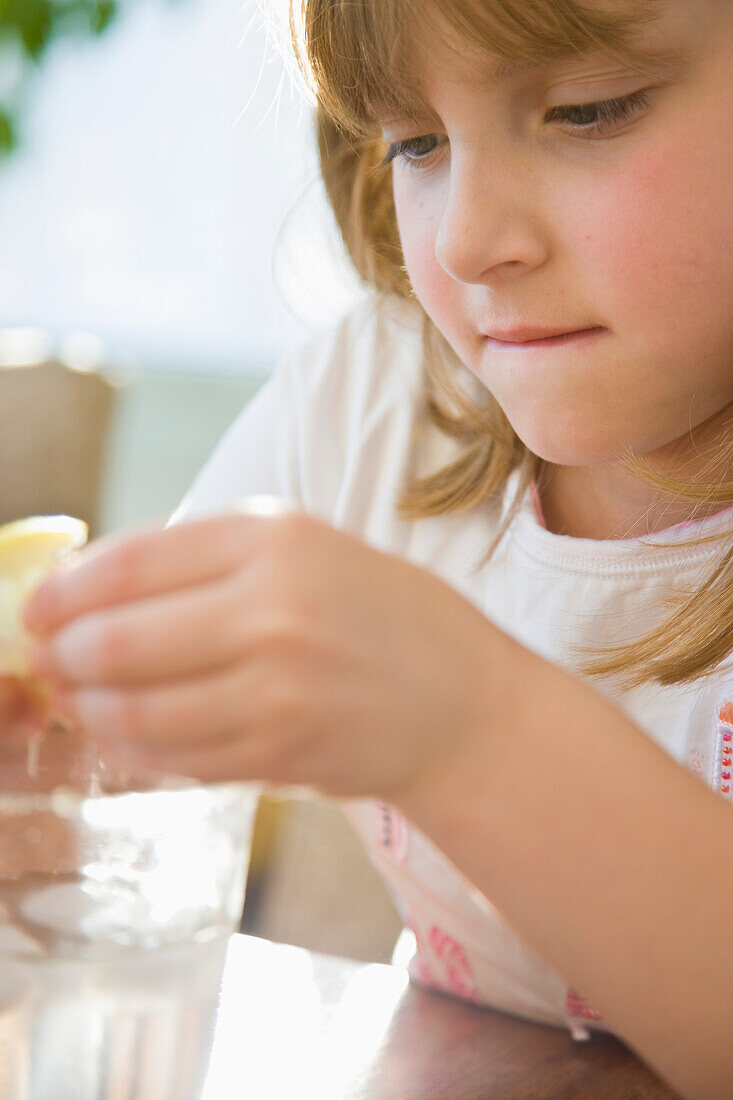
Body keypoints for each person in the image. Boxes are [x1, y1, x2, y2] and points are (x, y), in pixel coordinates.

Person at [17, 0, 733, 1095]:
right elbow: (103, 783)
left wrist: (464, 721)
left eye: (589, 110)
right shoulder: (371, 402)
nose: (466, 238)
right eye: (416, 143)